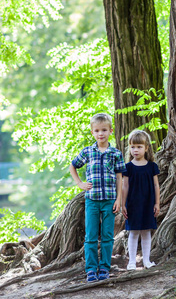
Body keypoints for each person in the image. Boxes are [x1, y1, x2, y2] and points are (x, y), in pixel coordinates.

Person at [69, 113, 126, 282]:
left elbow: (120, 177)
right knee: (91, 235)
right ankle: (92, 269)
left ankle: (105, 268)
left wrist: (119, 200)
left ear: (110, 131)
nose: (100, 133)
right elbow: (73, 166)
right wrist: (80, 183)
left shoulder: (115, 153)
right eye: (97, 130)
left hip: (109, 200)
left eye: (104, 130)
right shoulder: (88, 151)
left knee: (108, 235)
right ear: (92, 132)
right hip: (92, 201)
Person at [121, 130, 160, 270]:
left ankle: (146, 261)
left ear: (146, 148)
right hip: (132, 204)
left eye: (139, 147)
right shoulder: (128, 168)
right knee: (133, 232)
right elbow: (125, 186)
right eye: (132, 147)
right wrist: (123, 205)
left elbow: (156, 185)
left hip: (148, 203)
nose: (135, 150)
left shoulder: (152, 166)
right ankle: (132, 262)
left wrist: (157, 203)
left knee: (146, 232)